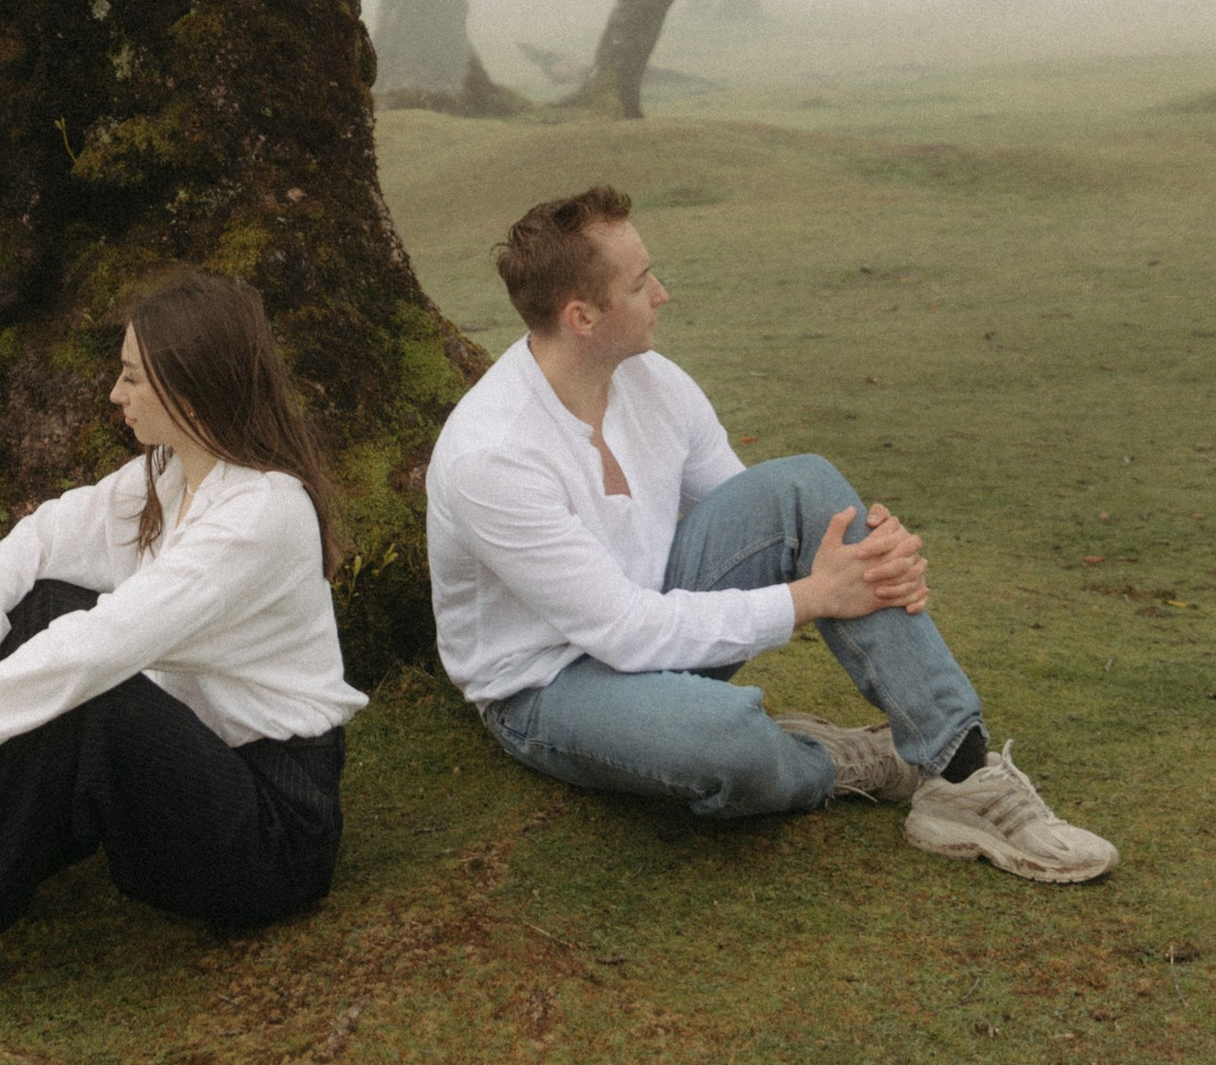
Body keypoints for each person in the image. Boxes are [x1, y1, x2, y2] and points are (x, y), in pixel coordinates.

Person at [425, 183, 1115, 885]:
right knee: (725, 742)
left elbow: (765, 515)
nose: (661, 293)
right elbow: (625, 633)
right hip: (548, 686)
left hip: (653, 615)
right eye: (640, 284)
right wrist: (815, 596)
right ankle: (839, 761)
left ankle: (962, 772)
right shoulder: (495, 458)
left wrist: (868, 552)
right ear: (582, 316)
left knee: (805, 485)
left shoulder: (653, 380)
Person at [0, 271, 364, 995]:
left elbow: (103, 647)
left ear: (192, 387)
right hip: (205, 767)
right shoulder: (172, 475)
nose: (117, 394)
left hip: (272, 837)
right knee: (45, 603)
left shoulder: (262, 516)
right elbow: (42, 539)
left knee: (89, 691)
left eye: (133, 377)